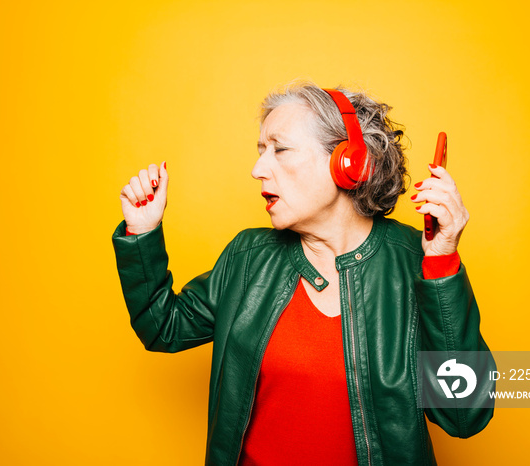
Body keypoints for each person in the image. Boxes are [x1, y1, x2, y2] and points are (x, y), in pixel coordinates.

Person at [112, 82, 494, 465]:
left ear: (349, 163)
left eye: (280, 149)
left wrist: (441, 263)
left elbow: (465, 415)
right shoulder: (248, 258)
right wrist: (141, 233)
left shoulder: (415, 261)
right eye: (261, 151)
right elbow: (164, 328)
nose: (258, 169)